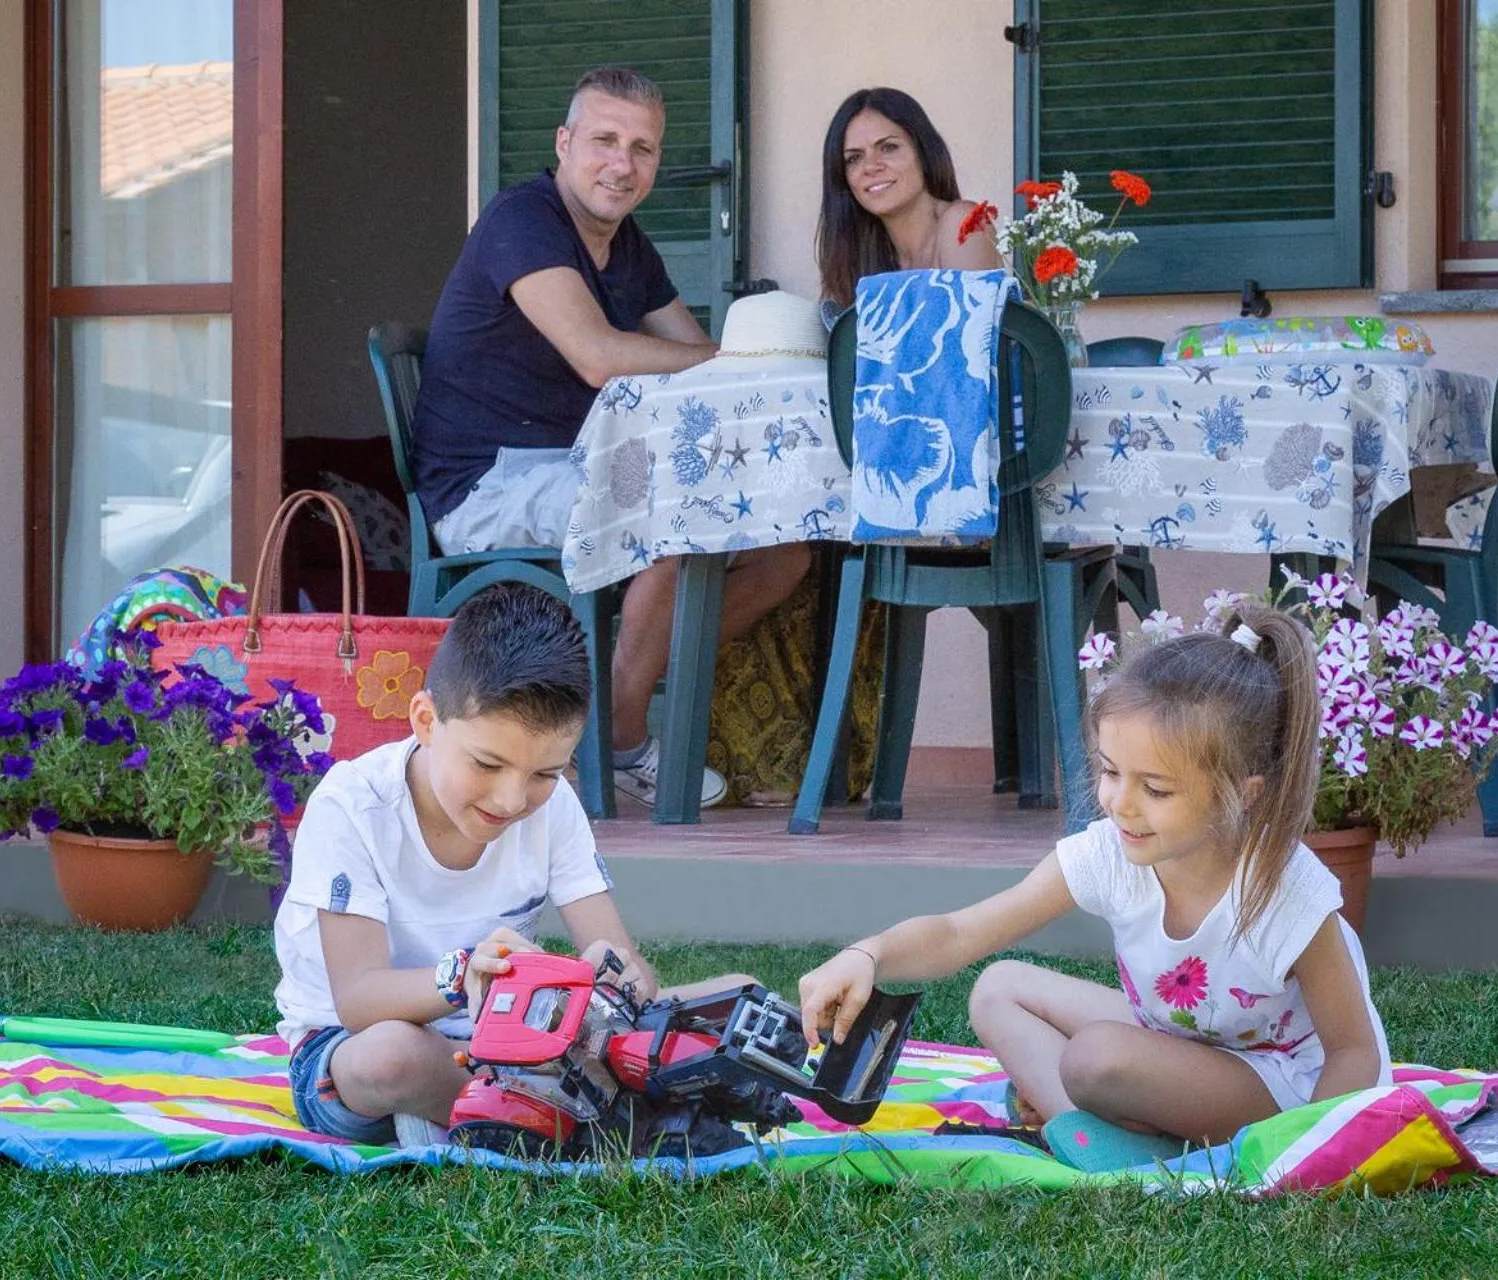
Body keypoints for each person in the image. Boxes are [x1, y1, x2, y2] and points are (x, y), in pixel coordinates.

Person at [797, 604, 1389, 1152]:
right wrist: (868, 955)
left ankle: (1116, 1134)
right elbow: (958, 934)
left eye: (1155, 789)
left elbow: (1354, 1052)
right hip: (1186, 1045)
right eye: (1110, 772)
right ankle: (1106, 1134)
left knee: (1095, 1059)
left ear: (1243, 794)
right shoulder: (1111, 853)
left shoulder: (1284, 889)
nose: (1120, 803)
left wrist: (1299, 1154)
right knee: (999, 987)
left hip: (1282, 1085)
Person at [410, 65, 810, 808]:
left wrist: (770, 364)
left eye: (642, 148)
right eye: (604, 141)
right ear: (564, 144)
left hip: (577, 470)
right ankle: (621, 738)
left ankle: (608, 701)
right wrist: (734, 361)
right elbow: (597, 355)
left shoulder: (627, 246)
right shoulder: (522, 221)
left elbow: (694, 358)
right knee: (669, 516)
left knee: (783, 549)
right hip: (488, 484)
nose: (622, 164)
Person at [273, 581, 748, 1148]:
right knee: (392, 1057)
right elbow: (358, 1000)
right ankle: (596, 1124)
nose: (511, 799)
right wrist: (463, 975)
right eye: (486, 763)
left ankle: (518, 1109)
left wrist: (614, 979)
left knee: (738, 998)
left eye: (545, 773)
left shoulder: (555, 808)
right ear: (426, 720)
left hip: (515, 1039)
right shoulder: (352, 805)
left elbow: (626, 965)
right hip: (351, 1051)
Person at [816, 87, 1003, 308]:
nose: (870, 166)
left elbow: (967, 328)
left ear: (924, 152)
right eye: (854, 158)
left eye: (888, 147)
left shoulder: (962, 223)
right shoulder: (858, 256)